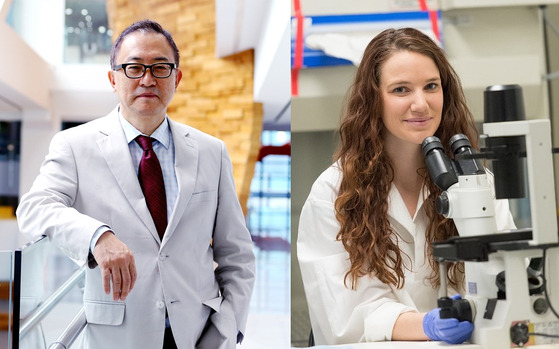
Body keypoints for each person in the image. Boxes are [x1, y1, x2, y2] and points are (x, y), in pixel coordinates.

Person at [16, 19, 255, 349]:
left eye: (160, 67)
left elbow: (238, 256)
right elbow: (33, 207)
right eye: (133, 68)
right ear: (113, 79)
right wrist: (97, 236)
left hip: (198, 335)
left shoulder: (211, 151)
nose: (147, 79)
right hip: (116, 338)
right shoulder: (74, 145)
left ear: (177, 77)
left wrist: (226, 330)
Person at [297, 27, 516, 345]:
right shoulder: (333, 193)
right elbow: (345, 316)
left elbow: (504, 274)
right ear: (374, 99)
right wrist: (427, 325)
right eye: (401, 90)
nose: (421, 104)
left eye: (431, 86)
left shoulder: (476, 182)